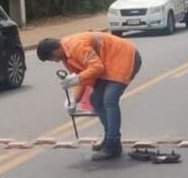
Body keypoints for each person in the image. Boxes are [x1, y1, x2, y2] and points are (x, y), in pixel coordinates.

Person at [37, 32, 142, 161]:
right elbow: (83, 77)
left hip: (125, 58)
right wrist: (74, 99)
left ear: (54, 51)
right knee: (95, 99)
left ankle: (112, 144)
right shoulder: (66, 57)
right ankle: (110, 138)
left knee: (109, 99)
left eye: (52, 59)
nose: (55, 62)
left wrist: (76, 79)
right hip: (108, 64)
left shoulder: (76, 46)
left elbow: (96, 68)